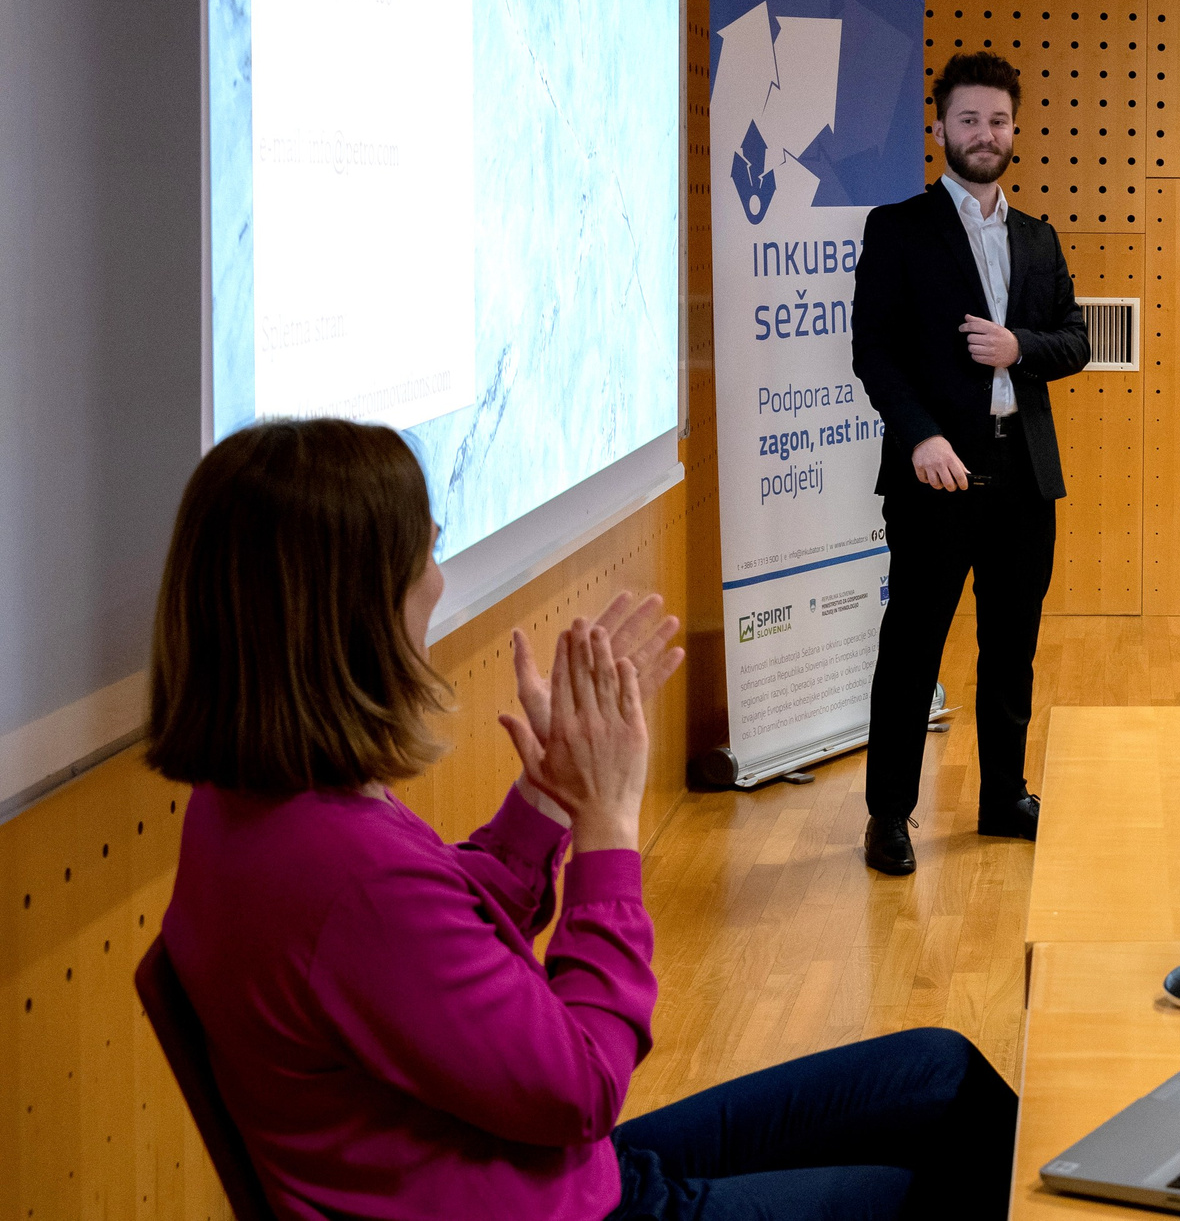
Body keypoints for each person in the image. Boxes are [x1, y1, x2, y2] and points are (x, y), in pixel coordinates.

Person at [150, 419, 1018, 1221]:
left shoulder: (250, 809)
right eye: (424, 554)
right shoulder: (344, 873)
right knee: (920, 1198)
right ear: (353, 610)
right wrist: (606, 826)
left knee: (942, 1076)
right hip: (569, 1199)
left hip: (552, 1172)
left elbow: (437, 937)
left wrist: (547, 795)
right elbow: (586, 1082)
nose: (437, 581)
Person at [851, 51, 1089, 876]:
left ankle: (1003, 797)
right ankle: (888, 814)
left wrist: (1019, 345)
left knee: (1011, 647)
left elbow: (1075, 341)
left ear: (1013, 128)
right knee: (912, 648)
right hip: (934, 475)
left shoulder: (1039, 238)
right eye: (968, 120)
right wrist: (919, 436)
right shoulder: (897, 228)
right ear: (940, 129)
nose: (984, 134)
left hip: (1024, 475)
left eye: (997, 120)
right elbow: (874, 352)